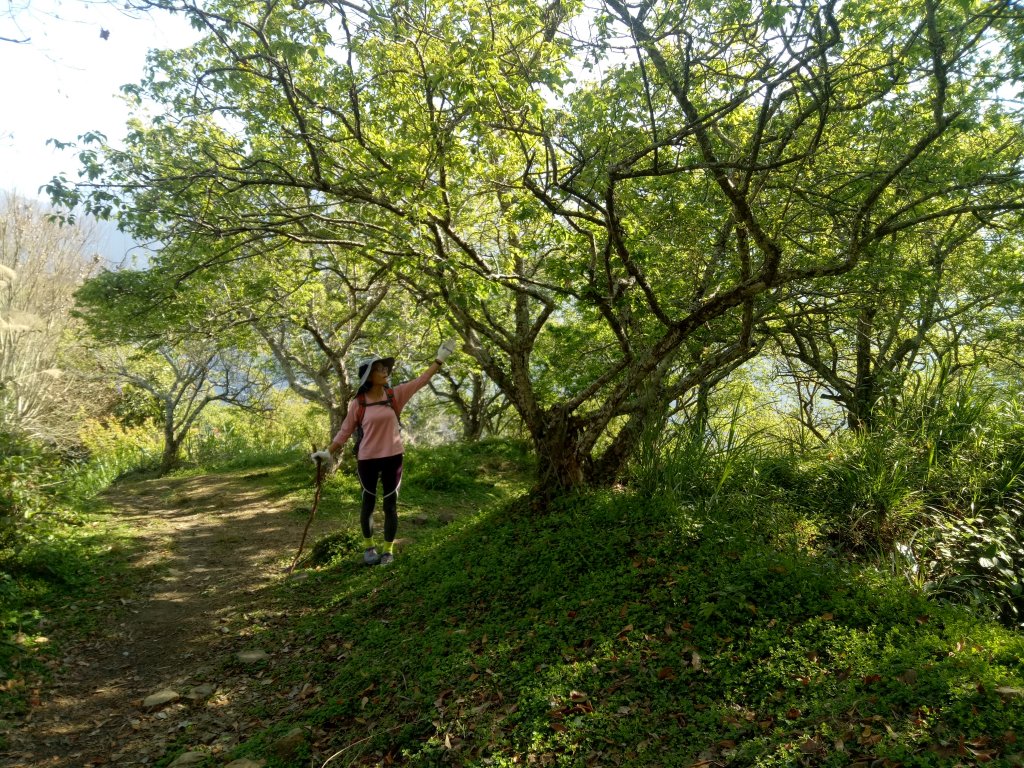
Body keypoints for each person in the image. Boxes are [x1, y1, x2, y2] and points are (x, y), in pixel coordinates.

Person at [311, 340, 457, 566]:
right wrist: (327, 453)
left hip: (393, 458)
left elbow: (421, 381)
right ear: (369, 375)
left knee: (390, 505)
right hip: (367, 459)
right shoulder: (358, 403)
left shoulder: (394, 395)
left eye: (385, 368)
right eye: (379, 369)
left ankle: (388, 551)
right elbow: (345, 430)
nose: (385, 371)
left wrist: (440, 359)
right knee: (367, 503)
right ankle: (369, 549)